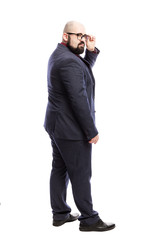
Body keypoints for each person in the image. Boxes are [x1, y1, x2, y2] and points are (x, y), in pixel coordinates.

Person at [44, 21, 115, 232]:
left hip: (57, 125)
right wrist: (90, 130)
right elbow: (79, 98)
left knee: (60, 169)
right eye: (78, 36)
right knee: (81, 173)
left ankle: (60, 213)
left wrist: (91, 53)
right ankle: (89, 219)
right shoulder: (68, 61)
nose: (82, 40)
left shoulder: (62, 56)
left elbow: (80, 75)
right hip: (70, 129)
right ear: (65, 36)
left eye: (84, 36)